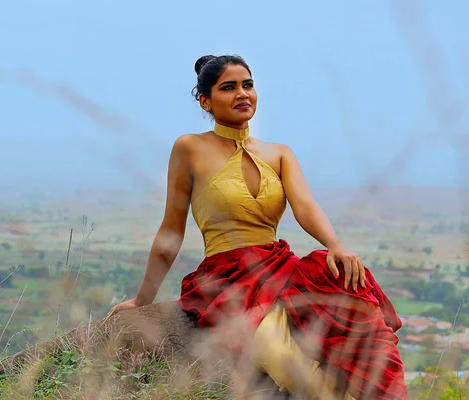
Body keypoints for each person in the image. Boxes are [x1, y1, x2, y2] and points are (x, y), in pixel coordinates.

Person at [110, 54, 408, 399]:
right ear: (205, 100)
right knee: (279, 355)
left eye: (247, 85)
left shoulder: (279, 153)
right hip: (229, 280)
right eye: (228, 87)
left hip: (281, 268)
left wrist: (336, 244)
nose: (242, 94)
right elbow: (171, 231)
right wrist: (142, 301)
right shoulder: (189, 148)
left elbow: (305, 206)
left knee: (356, 328)